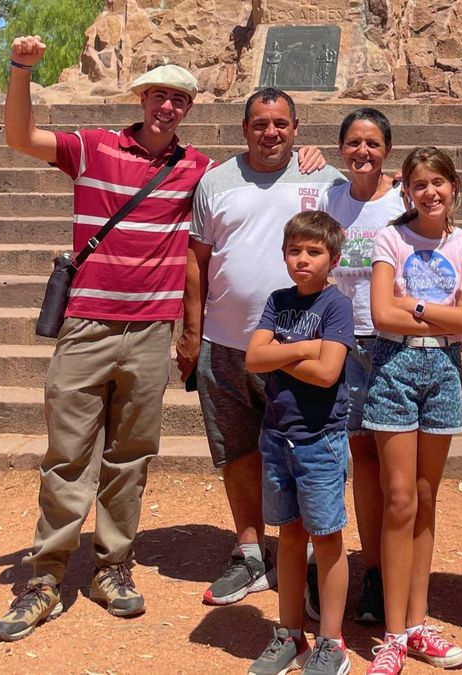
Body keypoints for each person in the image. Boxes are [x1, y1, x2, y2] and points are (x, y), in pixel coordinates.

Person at [0, 37, 213, 641]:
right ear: (142, 99)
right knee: (67, 455)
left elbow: (253, 188)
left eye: (178, 99)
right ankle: (44, 577)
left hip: (148, 332)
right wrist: (21, 71)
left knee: (130, 458)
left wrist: (309, 162)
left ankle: (113, 566)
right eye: (158, 96)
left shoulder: (198, 169)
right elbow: (20, 137)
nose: (166, 107)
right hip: (88, 325)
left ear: (187, 109)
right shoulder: (92, 147)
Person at [180, 87, 345, 607]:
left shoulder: (324, 178)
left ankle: (312, 560)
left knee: (307, 449)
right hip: (226, 340)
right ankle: (250, 551)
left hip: (300, 347)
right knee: (237, 450)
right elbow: (196, 260)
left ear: (296, 129)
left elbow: (363, 210)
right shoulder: (216, 182)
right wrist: (190, 330)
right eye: (259, 124)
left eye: (280, 124)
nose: (269, 133)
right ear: (244, 128)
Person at [363, 147, 462, 675]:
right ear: (407, 190)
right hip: (392, 367)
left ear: (454, 186)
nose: (430, 192)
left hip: (442, 372)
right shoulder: (390, 237)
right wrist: (442, 314)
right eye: (419, 184)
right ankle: (393, 633)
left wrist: (411, 306)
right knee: (397, 499)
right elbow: (379, 312)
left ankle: (417, 623)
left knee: (426, 496)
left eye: (439, 182)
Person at [243, 211, 354, 675]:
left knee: (326, 539)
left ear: (333, 258)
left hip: (320, 439)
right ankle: (290, 634)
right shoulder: (278, 299)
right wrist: (305, 348)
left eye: (314, 252)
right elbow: (252, 358)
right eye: (295, 251)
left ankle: (332, 642)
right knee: (289, 535)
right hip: (277, 436)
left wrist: (279, 354)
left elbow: (329, 373)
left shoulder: (336, 305)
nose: (303, 260)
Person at [321, 107, 405, 626]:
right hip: (344, 344)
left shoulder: (403, 199)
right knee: (362, 464)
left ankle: (397, 575)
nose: (363, 152)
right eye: (354, 142)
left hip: (392, 342)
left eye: (373, 144)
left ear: (387, 151)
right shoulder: (331, 196)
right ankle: (373, 569)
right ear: (340, 149)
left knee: (395, 469)